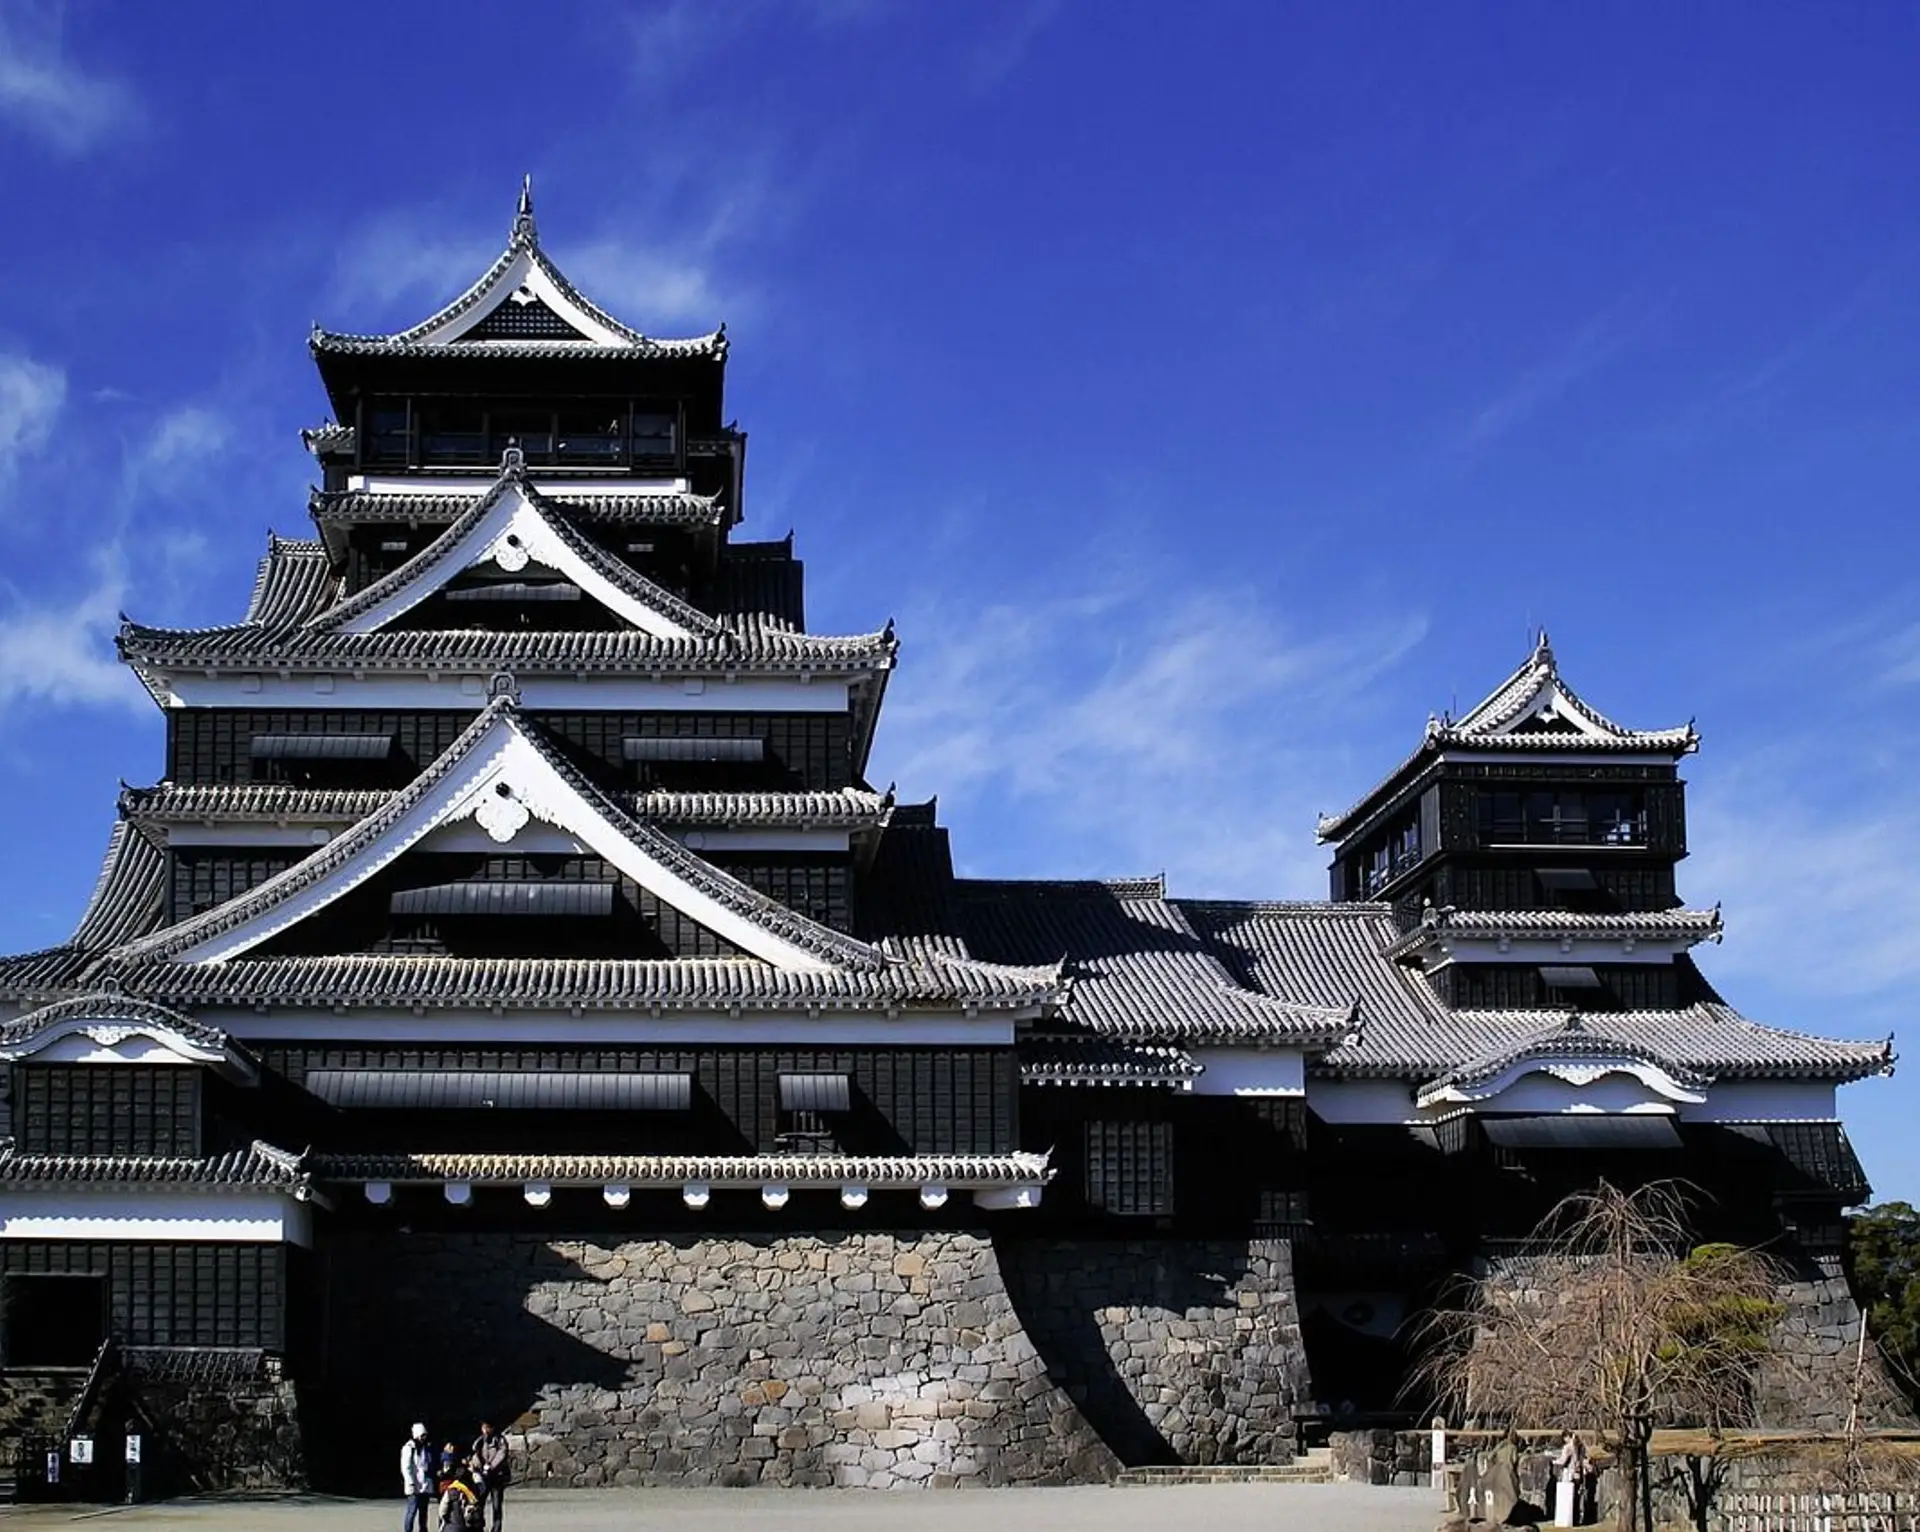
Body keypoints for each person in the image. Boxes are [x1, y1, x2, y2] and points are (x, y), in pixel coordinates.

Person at [471, 1421, 511, 1530]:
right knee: (479, 1503)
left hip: (497, 1477)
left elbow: (502, 1454)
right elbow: (475, 1453)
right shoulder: (479, 1440)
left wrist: (491, 1466)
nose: (485, 1431)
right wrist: (478, 1465)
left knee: (497, 1505)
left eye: (487, 1428)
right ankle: (479, 1526)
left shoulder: (500, 1440)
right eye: (483, 1428)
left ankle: (496, 1528)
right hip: (483, 1477)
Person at [400, 1423, 436, 1532]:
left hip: (425, 1484)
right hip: (413, 1485)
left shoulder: (427, 1447)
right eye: (421, 1435)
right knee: (412, 1511)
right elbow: (405, 1467)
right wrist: (410, 1482)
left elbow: (428, 1465)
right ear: (416, 1435)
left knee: (423, 1513)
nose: (423, 1438)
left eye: (425, 1435)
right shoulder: (409, 1448)